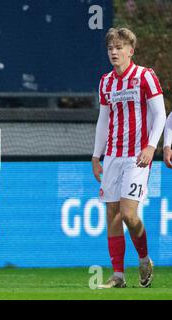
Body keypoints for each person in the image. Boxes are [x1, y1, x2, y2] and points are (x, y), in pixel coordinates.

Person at [92, 27, 166, 289]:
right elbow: (103, 120)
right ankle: (118, 276)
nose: (114, 51)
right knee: (112, 214)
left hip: (137, 157)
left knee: (128, 214)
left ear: (130, 51)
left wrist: (150, 147)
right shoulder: (105, 82)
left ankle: (144, 259)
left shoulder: (145, 77)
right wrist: (95, 155)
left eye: (119, 47)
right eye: (111, 48)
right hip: (112, 156)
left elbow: (159, 114)